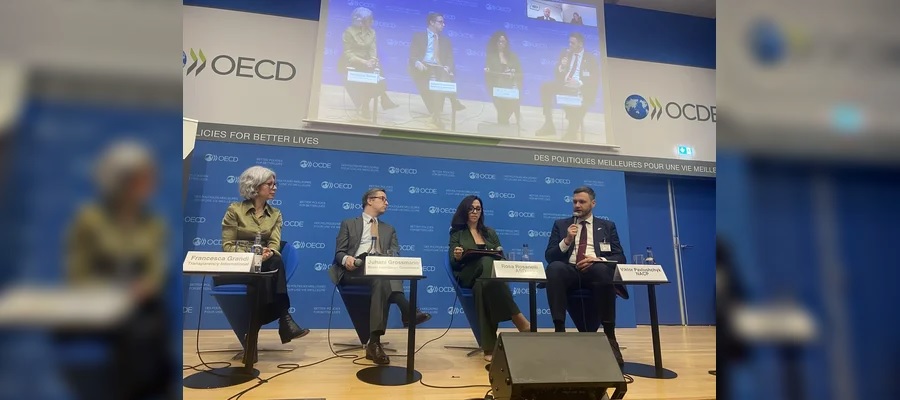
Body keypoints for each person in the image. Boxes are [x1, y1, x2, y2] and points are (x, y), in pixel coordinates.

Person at [65, 140, 172, 399]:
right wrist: (112, 292)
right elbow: (77, 273)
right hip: (96, 300)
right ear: (120, 181)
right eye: (141, 179)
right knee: (135, 333)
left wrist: (146, 286)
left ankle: (152, 389)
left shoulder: (153, 222)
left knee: (149, 326)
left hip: (141, 301)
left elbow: (156, 270)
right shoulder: (89, 219)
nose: (149, 184)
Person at [215, 165, 310, 361]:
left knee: (271, 265)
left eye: (275, 184)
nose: (275, 188)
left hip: (264, 264)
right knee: (264, 278)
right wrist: (252, 254)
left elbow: (274, 243)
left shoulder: (276, 214)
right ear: (256, 186)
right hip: (237, 266)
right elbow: (228, 246)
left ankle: (252, 341)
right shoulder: (235, 210)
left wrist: (268, 253)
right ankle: (284, 319)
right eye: (270, 184)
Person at [329, 188, 432, 365]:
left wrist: (387, 260)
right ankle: (407, 310)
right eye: (383, 199)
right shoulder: (349, 223)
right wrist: (347, 259)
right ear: (370, 200)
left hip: (380, 270)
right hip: (355, 269)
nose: (387, 202)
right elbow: (339, 252)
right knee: (382, 276)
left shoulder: (389, 229)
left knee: (382, 277)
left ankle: (374, 343)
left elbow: (395, 253)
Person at [543, 186, 628, 368]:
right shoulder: (561, 225)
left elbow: (620, 257)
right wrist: (566, 240)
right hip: (569, 270)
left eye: (582, 202)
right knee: (554, 268)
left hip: (594, 269)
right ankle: (559, 331)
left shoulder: (607, 226)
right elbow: (549, 256)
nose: (577, 205)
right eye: (574, 201)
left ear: (593, 203)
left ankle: (610, 336)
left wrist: (598, 259)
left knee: (602, 270)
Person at [449, 195, 531, 361]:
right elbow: (453, 261)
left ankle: (489, 347)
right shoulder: (457, 233)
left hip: (487, 278)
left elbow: (500, 255)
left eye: (478, 209)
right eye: (471, 208)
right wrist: (457, 256)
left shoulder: (489, 232)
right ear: (464, 211)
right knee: (487, 262)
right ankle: (518, 318)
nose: (474, 212)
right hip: (468, 274)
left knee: (483, 287)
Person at [535, 32, 600, 140]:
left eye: (572, 43)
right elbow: (557, 74)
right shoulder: (565, 53)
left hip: (581, 88)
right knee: (545, 87)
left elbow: (595, 78)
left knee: (576, 103)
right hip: (565, 85)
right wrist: (562, 66)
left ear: (580, 44)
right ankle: (548, 124)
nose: (570, 45)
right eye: (569, 42)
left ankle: (572, 132)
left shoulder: (590, 58)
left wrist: (579, 83)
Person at [408, 12, 466, 130]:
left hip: (439, 68)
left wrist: (447, 67)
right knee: (440, 81)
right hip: (424, 67)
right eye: (440, 22)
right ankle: (453, 99)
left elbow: (450, 58)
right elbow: (412, 55)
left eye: (444, 22)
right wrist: (417, 62)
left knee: (444, 76)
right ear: (432, 22)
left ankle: (436, 116)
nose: (443, 25)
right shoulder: (418, 36)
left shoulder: (446, 40)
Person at [339, 7, 398, 121]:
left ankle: (366, 105)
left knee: (377, 74)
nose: (372, 22)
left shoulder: (372, 32)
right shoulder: (349, 32)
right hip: (352, 61)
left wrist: (372, 60)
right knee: (366, 77)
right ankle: (382, 98)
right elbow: (348, 53)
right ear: (360, 21)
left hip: (367, 61)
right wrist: (364, 62)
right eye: (369, 20)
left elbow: (372, 49)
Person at [484, 31, 523, 125]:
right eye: (499, 41)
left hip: (511, 87)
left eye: (504, 42)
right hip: (497, 88)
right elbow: (488, 74)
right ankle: (504, 127)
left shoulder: (513, 56)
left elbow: (520, 74)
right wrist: (489, 71)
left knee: (507, 111)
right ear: (496, 42)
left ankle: (504, 127)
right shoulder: (491, 57)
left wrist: (512, 74)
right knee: (502, 112)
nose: (502, 44)